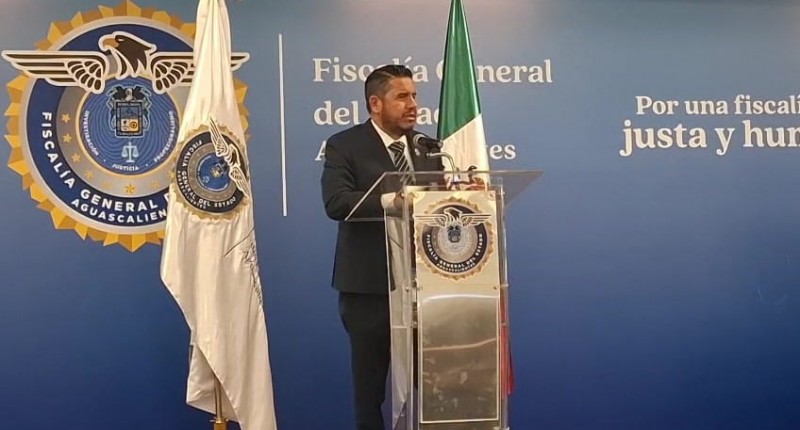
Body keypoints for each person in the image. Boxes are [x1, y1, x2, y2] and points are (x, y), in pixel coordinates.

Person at [320, 64, 442, 430]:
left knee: (436, 387)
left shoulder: (427, 147)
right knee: (370, 392)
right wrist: (393, 201)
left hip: (426, 288)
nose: (413, 105)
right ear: (376, 103)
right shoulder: (345, 145)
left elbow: (438, 204)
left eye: (414, 96)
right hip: (370, 289)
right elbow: (337, 203)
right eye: (402, 97)